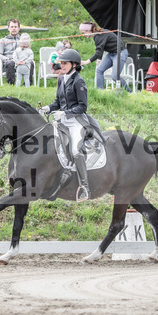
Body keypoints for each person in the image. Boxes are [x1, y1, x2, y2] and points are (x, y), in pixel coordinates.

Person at [39, 49, 102, 202]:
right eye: (61, 63)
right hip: (62, 121)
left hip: (76, 122)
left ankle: (84, 187)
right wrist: (48, 108)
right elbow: (58, 102)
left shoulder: (79, 81)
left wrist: (65, 113)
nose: (62, 66)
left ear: (74, 65)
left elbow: (82, 106)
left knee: (75, 151)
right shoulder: (61, 79)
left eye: (65, 63)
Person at [79, 21, 129, 91]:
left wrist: (86, 62)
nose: (83, 35)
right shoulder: (97, 35)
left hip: (120, 53)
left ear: (88, 30)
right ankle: (100, 92)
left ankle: (129, 92)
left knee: (115, 77)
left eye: (83, 33)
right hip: (111, 53)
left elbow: (98, 53)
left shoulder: (99, 36)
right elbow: (101, 48)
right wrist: (99, 59)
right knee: (99, 70)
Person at [0, 18, 34, 85]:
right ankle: (11, 85)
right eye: (12, 27)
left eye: (15, 27)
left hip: (21, 62)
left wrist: (24, 60)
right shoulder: (3, 40)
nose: (13, 29)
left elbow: (28, 53)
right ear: (8, 28)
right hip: (8, 63)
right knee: (11, 63)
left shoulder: (23, 40)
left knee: (31, 62)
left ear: (19, 28)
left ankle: (27, 85)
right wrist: (8, 59)